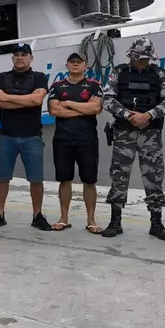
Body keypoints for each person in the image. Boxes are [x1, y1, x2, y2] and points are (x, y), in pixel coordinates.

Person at [102, 37, 165, 241]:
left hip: (150, 133)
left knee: (153, 176)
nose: (143, 62)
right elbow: (107, 99)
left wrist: (149, 115)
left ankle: (156, 222)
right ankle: (115, 221)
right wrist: (129, 115)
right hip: (124, 132)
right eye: (139, 58)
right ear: (132, 56)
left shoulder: (158, 74)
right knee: (119, 175)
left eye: (146, 59)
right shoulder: (119, 72)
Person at [0, 42, 51, 231]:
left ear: (31, 58)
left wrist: (8, 97)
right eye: (16, 54)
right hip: (7, 135)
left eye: (24, 54)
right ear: (12, 58)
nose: (20, 57)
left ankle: (37, 215)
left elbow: (37, 100)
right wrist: (26, 101)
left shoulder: (39, 78)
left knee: (36, 179)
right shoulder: (2, 77)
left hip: (32, 136)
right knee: (2, 178)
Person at [47, 52, 103, 234]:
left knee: (89, 180)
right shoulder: (57, 86)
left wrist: (69, 103)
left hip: (87, 139)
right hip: (63, 139)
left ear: (85, 65)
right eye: (72, 62)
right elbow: (54, 110)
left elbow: (96, 108)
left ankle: (91, 220)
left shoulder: (94, 86)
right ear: (67, 65)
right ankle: (63, 218)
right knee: (64, 179)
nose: (76, 64)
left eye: (79, 62)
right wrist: (83, 109)